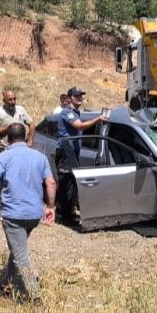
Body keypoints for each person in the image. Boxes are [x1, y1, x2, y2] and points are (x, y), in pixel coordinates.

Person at [0, 123, 56, 304]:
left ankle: (34, 296)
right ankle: (5, 287)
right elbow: (51, 183)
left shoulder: (4, 157)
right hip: (33, 214)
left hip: (14, 215)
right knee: (17, 249)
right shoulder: (40, 157)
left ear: (7, 138)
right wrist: (50, 206)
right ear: (24, 137)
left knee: (21, 255)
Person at [53, 87, 108, 219]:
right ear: (70, 98)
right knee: (65, 182)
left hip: (72, 152)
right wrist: (98, 119)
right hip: (66, 151)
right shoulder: (68, 113)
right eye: (77, 96)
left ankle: (69, 212)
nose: (80, 98)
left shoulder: (77, 112)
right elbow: (79, 126)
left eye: (81, 96)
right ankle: (62, 214)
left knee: (71, 182)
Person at [0, 89, 34, 207]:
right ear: (4, 100)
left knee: (21, 174)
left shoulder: (20, 109)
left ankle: (20, 199)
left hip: (21, 148)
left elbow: (31, 124)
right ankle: (4, 200)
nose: (13, 101)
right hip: (6, 148)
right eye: (10, 99)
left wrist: (30, 140)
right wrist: (8, 126)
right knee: (5, 176)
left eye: (14, 99)